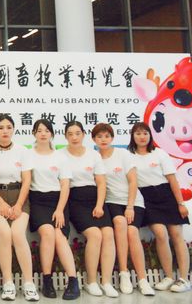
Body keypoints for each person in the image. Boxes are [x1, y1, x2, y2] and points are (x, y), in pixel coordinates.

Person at [92, 123, 154, 296]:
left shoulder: (123, 154)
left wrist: (130, 206)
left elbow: (133, 181)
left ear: (112, 138)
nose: (103, 140)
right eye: (99, 137)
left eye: (107, 136)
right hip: (112, 201)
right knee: (119, 223)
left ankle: (142, 279)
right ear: (94, 139)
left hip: (133, 201)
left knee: (132, 232)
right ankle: (124, 273)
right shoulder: (94, 158)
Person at [129, 122, 191, 293]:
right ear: (132, 136)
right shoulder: (129, 156)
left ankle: (184, 279)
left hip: (166, 195)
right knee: (161, 234)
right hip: (146, 199)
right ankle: (169, 276)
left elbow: (172, 180)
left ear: (150, 135)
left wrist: (181, 203)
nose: (142, 137)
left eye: (145, 133)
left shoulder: (160, 153)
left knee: (177, 235)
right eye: (138, 133)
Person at [63, 121, 117, 297]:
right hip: (75, 200)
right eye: (70, 134)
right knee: (95, 234)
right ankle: (91, 282)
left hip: (95, 199)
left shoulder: (93, 155)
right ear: (65, 136)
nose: (74, 137)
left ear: (83, 135)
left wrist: (100, 205)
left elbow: (101, 183)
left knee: (108, 233)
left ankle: (106, 282)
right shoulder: (60, 155)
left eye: (77, 133)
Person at [0, 114, 37, 301]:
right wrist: (0, 203)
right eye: (0, 128)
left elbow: (27, 181)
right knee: (5, 233)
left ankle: (29, 283)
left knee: (17, 234)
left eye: (8, 127)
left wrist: (18, 205)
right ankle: (8, 283)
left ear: (14, 129)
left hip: (19, 198)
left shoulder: (23, 151)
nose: (5, 131)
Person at [27, 119, 79, 300]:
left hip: (58, 202)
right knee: (48, 233)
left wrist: (59, 210)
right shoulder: (28, 155)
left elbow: (65, 185)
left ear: (52, 134)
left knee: (59, 236)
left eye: (46, 130)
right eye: (39, 130)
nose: (43, 134)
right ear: (34, 133)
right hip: (37, 201)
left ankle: (73, 281)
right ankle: (47, 280)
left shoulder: (60, 157)